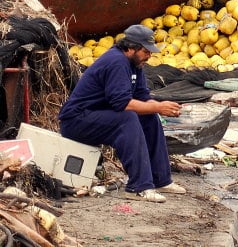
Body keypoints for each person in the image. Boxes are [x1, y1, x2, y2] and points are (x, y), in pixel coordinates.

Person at [59, 24, 186, 203]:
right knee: (127, 118)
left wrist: (164, 107)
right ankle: (139, 187)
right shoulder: (116, 62)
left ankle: (160, 179)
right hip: (76, 121)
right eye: (146, 51)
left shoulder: (136, 64)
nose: (149, 56)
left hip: (98, 116)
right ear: (130, 48)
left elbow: (143, 98)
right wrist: (158, 107)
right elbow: (122, 104)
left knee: (150, 116)